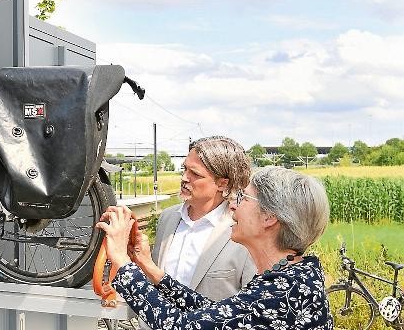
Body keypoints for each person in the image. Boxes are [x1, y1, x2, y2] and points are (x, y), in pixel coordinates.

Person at [98, 166, 333, 329]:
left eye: (243, 199)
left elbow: (183, 327)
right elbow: (217, 315)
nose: (233, 208)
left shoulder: (280, 295)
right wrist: (150, 268)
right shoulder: (294, 279)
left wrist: (121, 258)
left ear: (270, 217)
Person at [153, 136, 255, 301]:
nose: (184, 178)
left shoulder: (242, 230)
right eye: (184, 169)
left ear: (222, 184)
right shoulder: (167, 218)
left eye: (195, 173)